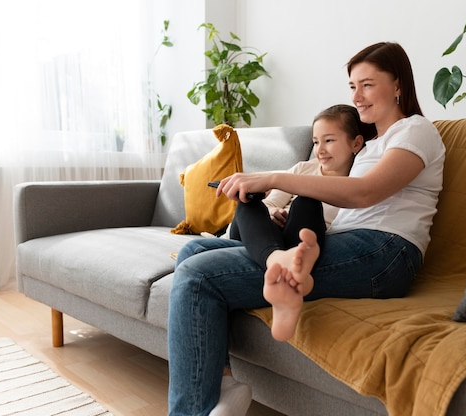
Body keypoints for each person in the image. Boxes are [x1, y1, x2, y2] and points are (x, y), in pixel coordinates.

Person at [168, 41, 446, 416]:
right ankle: (223, 381)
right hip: (345, 243)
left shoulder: (415, 131)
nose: (357, 96)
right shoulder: (368, 148)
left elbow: (365, 192)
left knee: (198, 277)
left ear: (398, 85)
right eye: (352, 86)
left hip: (385, 253)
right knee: (192, 252)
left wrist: (276, 177)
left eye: (367, 84)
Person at [176, 104, 374, 271]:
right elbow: (269, 201)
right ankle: (273, 259)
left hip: (298, 242)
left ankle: (285, 265)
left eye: (329, 140)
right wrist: (271, 212)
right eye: (315, 142)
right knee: (250, 202)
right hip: (264, 236)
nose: (320, 150)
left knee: (307, 202)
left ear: (356, 143)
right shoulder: (303, 168)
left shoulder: (358, 183)